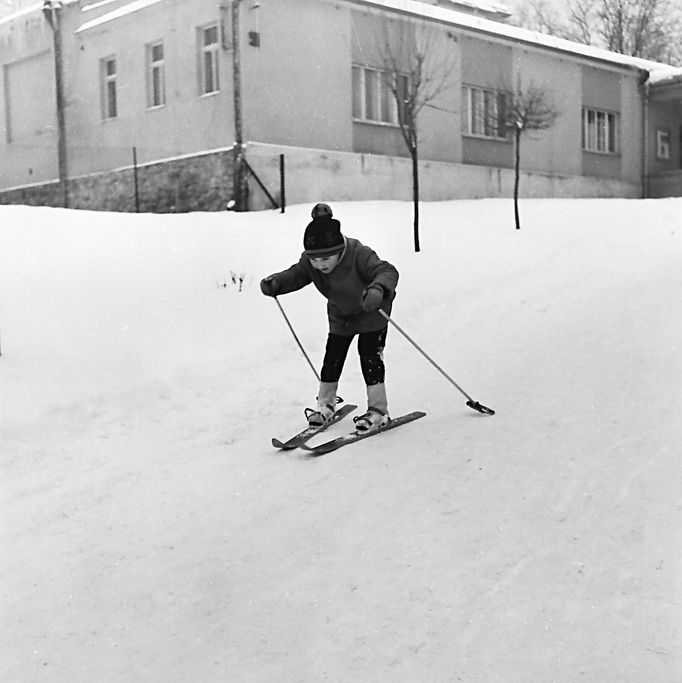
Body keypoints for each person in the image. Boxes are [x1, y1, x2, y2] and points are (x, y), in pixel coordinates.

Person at [260, 202, 399, 431]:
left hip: (371, 309)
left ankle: (378, 411)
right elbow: (297, 274)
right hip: (341, 314)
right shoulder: (311, 262)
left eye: (326, 259)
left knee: (369, 357)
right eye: (315, 259)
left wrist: (378, 290)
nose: (320, 264)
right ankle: (325, 405)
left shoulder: (358, 253)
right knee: (332, 357)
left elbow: (387, 270)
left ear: (339, 252)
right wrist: (277, 283)